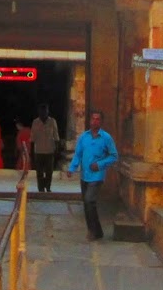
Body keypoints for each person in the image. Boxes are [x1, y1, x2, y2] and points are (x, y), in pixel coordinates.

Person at [65, 110, 117, 240]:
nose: (95, 121)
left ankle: (93, 232)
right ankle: (96, 230)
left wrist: (100, 164)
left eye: (98, 119)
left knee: (89, 200)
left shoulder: (106, 138)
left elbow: (114, 156)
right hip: (85, 175)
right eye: (93, 119)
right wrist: (72, 168)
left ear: (101, 121)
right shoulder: (83, 137)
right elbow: (78, 154)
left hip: (97, 175)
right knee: (87, 203)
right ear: (90, 121)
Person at [29, 102, 61, 193]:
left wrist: (57, 150)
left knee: (49, 172)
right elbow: (32, 138)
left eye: (45, 111)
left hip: (50, 151)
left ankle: (48, 187)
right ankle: (41, 188)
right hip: (38, 151)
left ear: (48, 111)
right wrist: (31, 152)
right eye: (41, 111)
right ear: (39, 112)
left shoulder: (52, 121)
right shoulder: (35, 122)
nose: (43, 113)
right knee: (39, 172)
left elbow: (56, 136)